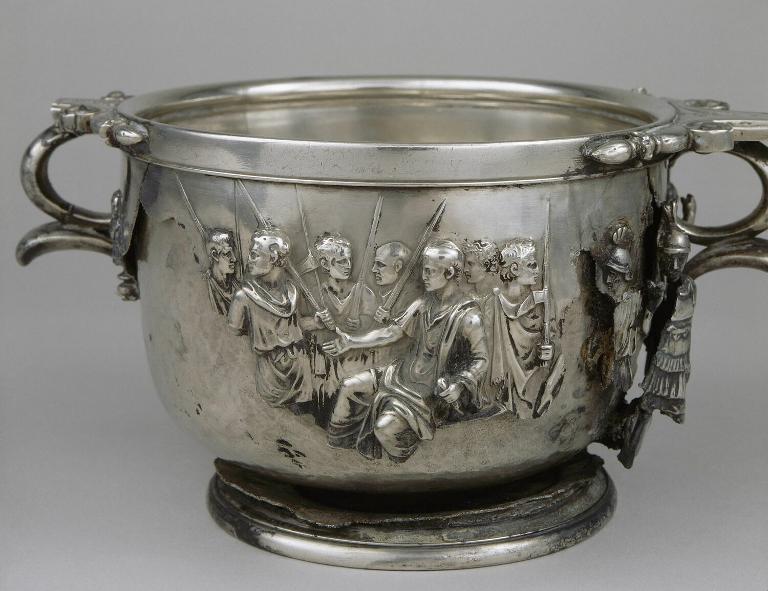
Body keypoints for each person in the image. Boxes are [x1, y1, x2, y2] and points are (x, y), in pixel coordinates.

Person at [322, 239, 489, 462]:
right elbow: (392, 333)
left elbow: (481, 360)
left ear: (449, 273)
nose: (424, 276)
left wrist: (459, 384)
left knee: (384, 429)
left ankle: (414, 463)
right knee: (349, 386)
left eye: (430, 271)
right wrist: (352, 341)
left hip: (428, 395)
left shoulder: (469, 317)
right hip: (398, 376)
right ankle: (337, 452)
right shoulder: (424, 304)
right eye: (424, 270)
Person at [227, 228, 325, 408]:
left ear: (273, 259)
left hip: (300, 367)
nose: (249, 259)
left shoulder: (292, 292)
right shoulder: (243, 298)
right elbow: (233, 334)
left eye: (255, 255)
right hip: (271, 373)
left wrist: (315, 323)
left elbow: (295, 326)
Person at [490, 238, 560, 417]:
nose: (537, 271)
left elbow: (559, 340)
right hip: (506, 384)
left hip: (537, 380)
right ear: (514, 269)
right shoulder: (494, 304)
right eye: (531, 265)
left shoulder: (543, 303)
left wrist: (551, 349)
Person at [640, 206, 695, 424]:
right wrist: (652, 305)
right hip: (659, 346)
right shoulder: (657, 288)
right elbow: (644, 330)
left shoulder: (688, 287)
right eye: (668, 260)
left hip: (677, 351)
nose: (674, 266)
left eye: (680, 259)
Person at [595, 223, 643, 394]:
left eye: (613, 275)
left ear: (627, 275)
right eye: (607, 273)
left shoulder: (633, 301)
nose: (608, 280)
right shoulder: (610, 302)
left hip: (621, 363)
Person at [315, 232, 377, 333]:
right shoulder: (318, 293)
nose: (349, 266)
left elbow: (375, 323)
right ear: (325, 264)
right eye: (342, 261)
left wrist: (361, 323)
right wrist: (316, 322)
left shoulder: (364, 293)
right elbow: (298, 323)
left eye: (349, 260)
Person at [204, 229, 240, 315]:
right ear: (215, 255)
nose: (234, 259)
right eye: (228, 254)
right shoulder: (206, 287)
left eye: (233, 252)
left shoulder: (236, 286)